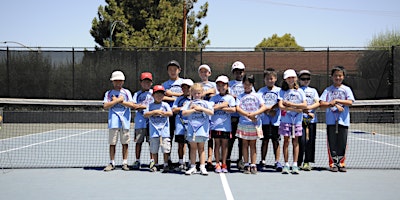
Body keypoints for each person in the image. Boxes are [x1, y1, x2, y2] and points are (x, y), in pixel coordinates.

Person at [319, 66, 355, 172]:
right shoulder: (328, 90)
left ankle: (341, 163)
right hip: (331, 121)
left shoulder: (346, 89)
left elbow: (350, 102)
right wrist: (331, 104)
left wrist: (337, 100)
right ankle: (333, 163)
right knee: (332, 142)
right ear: (332, 77)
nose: (338, 78)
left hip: (343, 121)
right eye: (335, 76)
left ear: (343, 77)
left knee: (342, 142)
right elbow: (321, 103)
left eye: (340, 76)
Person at [236, 74, 267, 174]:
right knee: (244, 144)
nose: (247, 86)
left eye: (249, 84)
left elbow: (263, 107)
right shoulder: (240, 96)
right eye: (245, 84)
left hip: (255, 124)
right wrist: (247, 114)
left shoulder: (257, 95)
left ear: (253, 84)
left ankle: (253, 165)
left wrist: (254, 114)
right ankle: (246, 164)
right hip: (244, 123)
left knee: (253, 145)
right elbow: (237, 108)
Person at [103, 70, 134, 171]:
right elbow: (105, 106)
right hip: (113, 122)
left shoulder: (127, 92)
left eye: (120, 81)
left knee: (125, 143)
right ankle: (112, 163)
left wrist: (121, 101)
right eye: (116, 81)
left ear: (123, 82)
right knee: (112, 143)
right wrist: (116, 100)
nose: (118, 83)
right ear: (112, 82)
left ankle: (124, 163)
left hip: (125, 122)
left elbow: (132, 105)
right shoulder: (109, 93)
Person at [278, 69, 307, 175]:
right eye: (288, 78)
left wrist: (289, 105)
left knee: (296, 142)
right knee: (286, 142)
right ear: (285, 79)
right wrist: (295, 109)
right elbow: (281, 106)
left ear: (295, 79)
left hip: (297, 121)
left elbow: (304, 106)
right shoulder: (282, 91)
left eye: (292, 77)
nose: (291, 79)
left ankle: (295, 164)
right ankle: (286, 164)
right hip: (285, 121)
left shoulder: (300, 91)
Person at [182, 83, 214, 176]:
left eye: (199, 93)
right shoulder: (188, 103)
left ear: (202, 93)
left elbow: (211, 112)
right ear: (191, 93)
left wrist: (201, 108)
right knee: (193, 148)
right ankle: (192, 166)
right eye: (195, 93)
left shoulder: (206, 104)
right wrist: (193, 110)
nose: (197, 95)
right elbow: (184, 113)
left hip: (202, 130)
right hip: (192, 130)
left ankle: (202, 167)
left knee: (201, 148)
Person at [257, 68, 283, 172]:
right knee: (265, 141)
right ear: (264, 79)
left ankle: (277, 161)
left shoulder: (279, 91)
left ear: (275, 79)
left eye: (271, 78)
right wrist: (267, 111)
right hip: (264, 121)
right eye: (267, 79)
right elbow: (260, 104)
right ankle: (262, 161)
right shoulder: (261, 91)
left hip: (276, 121)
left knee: (276, 141)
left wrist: (273, 109)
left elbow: (281, 102)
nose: (269, 81)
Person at [144, 85, 173, 173]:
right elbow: (145, 114)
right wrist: (154, 112)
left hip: (165, 132)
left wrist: (163, 113)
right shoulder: (150, 105)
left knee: (165, 149)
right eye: (157, 94)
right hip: (154, 132)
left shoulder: (165, 105)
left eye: (161, 94)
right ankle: (155, 164)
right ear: (153, 95)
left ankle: (165, 164)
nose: (159, 96)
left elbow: (170, 113)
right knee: (154, 149)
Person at [209, 75, 236, 173]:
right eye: (219, 85)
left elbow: (233, 109)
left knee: (225, 145)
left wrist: (220, 107)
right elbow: (211, 108)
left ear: (227, 86)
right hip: (215, 126)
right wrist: (223, 105)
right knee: (217, 145)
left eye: (223, 85)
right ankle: (217, 163)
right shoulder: (213, 98)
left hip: (226, 126)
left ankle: (224, 163)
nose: (221, 87)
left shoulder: (230, 98)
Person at [297, 70, 320, 171]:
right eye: (303, 79)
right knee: (300, 141)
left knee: (310, 141)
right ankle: (298, 161)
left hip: (312, 120)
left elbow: (317, 102)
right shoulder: (297, 90)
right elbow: (296, 104)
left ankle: (307, 161)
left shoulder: (313, 91)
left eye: (307, 79)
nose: (305, 81)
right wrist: (305, 111)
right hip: (299, 120)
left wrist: (310, 109)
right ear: (299, 80)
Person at [131, 72, 154, 170]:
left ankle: (152, 161)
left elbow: (155, 105)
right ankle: (137, 160)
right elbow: (134, 105)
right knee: (138, 142)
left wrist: (143, 106)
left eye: (148, 82)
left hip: (152, 123)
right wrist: (140, 107)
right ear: (140, 82)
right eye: (144, 82)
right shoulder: (137, 94)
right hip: (139, 122)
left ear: (151, 83)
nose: (146, 84)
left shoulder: (154, 93)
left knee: (151, 142)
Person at [162, 60, 184, 165]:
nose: (172, 71)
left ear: (179, 70)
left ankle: (182, 161)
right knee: (168, 137)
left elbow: (187, 95)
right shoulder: (164, 84)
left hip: (181, 115)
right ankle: (168, 159)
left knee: (182, 139)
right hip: (169, 115)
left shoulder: (184, 83)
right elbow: (161, 97)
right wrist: (176, 98)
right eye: (170, 69)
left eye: (174, 69)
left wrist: (172, 94)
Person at [227, 61, 246, 170]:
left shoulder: (247, 84)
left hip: (242, 117)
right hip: (231, 117)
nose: (238, 73)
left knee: (241, 140)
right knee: (230, 139)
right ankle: (228, 159)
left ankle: (240, 160)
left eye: (240, 71)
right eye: (236, 71)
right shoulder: (229, 84)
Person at [197, 64, 217, 171]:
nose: (204, 74)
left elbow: (214, 91)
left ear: (209, 73)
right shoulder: (197, 85)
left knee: (210, 137)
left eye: (206, 72)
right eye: (201, 72)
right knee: (200, 137)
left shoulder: (213, 84)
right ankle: (201, 159)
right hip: (199, 116)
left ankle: (209, 159)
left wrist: (204, 93)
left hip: (211, 114)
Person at [172, 78, 194, 172]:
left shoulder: (195, 99)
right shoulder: (179, 99)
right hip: (180, 125)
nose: (185, 89)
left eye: (187, 88)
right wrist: (183, 108)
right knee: (181, 144)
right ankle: (181, 162)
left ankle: (190, 162)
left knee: (191, 144)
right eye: (183, 88)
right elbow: (174, 110)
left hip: (191, 125)